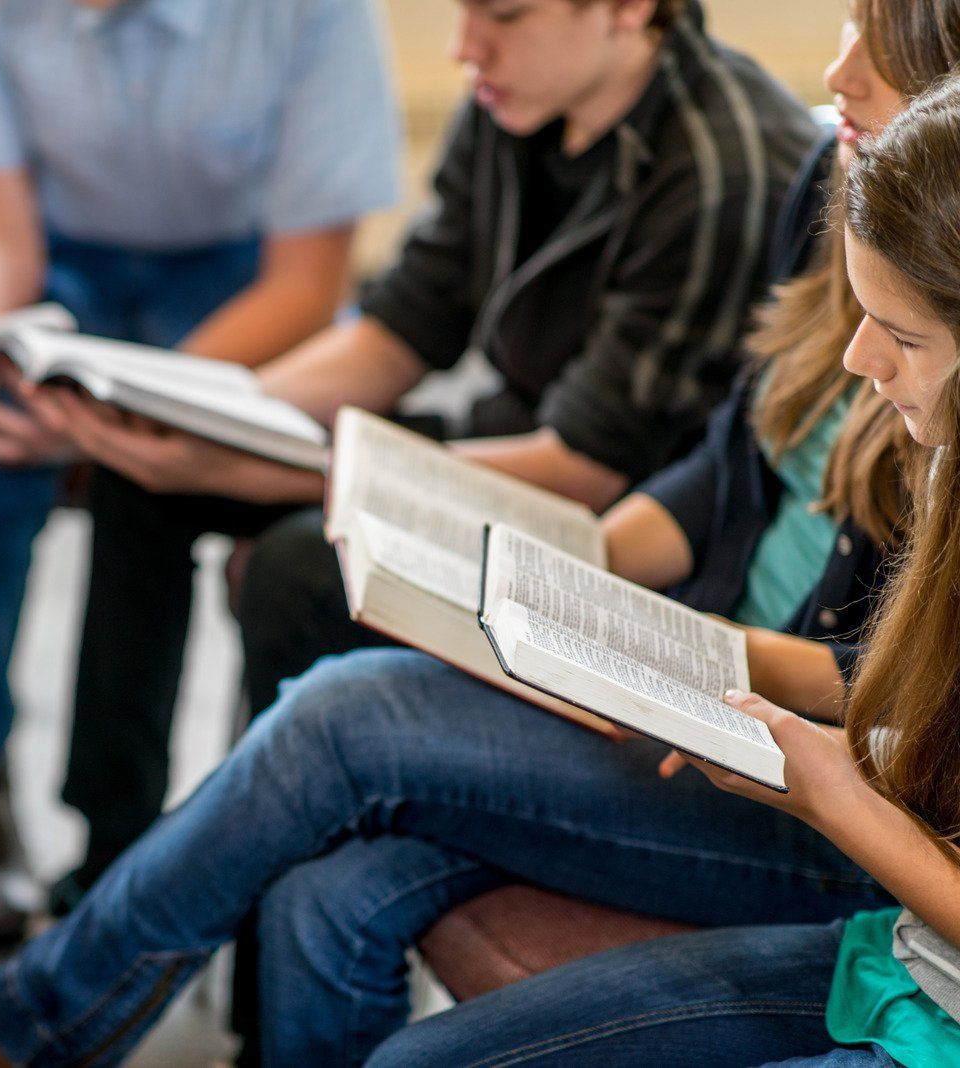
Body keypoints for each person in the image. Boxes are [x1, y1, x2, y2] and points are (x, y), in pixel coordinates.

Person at [0, 5, 956, 1064]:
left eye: (877, 49)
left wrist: (652, 640)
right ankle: (112, 897)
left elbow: (873, 682)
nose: (835, 73)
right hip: (736, 690)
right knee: (332, 886)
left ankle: (20, 1025)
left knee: (349, 716)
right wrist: (562, 583)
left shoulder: (822, 232)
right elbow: (715, 471)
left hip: (800, 757)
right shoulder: (838, 198)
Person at [28, 0, 822, 906]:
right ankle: (112, 850)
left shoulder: (719, 167)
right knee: (145, 482)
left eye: (504, 15)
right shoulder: (514, 97)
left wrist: (277, 473)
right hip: (511, 440)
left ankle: (258, 918)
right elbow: (399, 331)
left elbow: (585, 469)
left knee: (303, 564)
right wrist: (205, 422)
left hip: (612, 519)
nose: (463, 47)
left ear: (628, 10)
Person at [365, 70, 960, 1067]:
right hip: (908, 957)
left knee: (358, 726)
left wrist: (834, 792)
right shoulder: (945, 441)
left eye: (898, 334)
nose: (859, 359)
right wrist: (718, 675)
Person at [0, 0, 402, 946]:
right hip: (51, 256)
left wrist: (130, 411)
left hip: (245, 272)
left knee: (184, 473)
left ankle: (259, 823)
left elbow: (308, 283)